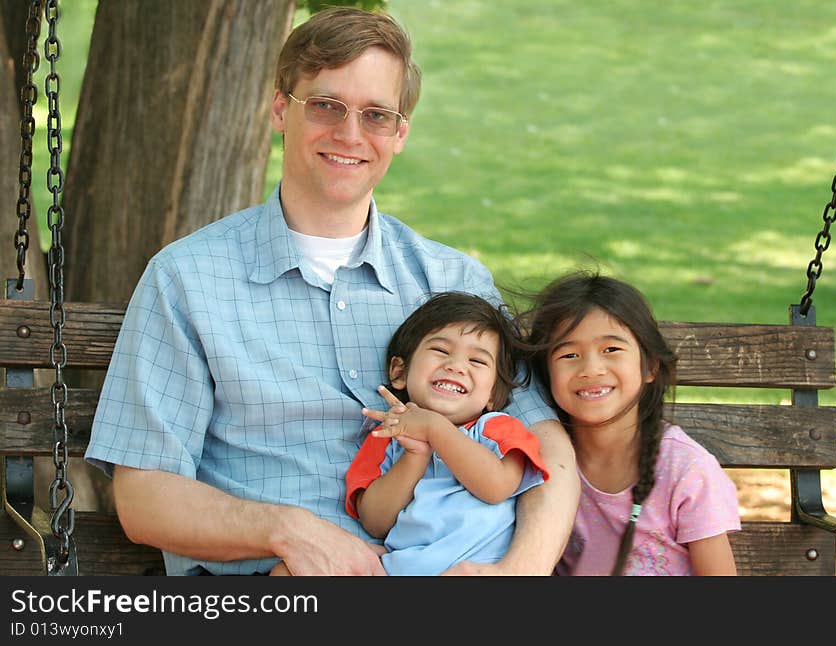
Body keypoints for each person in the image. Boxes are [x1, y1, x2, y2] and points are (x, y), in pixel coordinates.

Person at [84, 6, 578, 576]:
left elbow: (546, 442)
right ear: (279, 108)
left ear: (399, 135)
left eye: (375, 115)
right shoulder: (187, 280)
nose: (348, 134)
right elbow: (146, 496)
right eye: (324, 105)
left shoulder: (452, 282)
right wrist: (286, 531)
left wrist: (519, 575)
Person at [523, 270, 740, 575]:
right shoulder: (539, 461)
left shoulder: (686, 470)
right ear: (547, 376)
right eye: (569, 354)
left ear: (650, 366)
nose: (591, 368)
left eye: (611, 349)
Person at [346, 292, 549, 575]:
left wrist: (435, 428)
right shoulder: (387, 435)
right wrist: (415, 454)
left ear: (493, 393)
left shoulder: (496, 429)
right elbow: (376, 521)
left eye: (477, 361)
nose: (456, 366)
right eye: (441, 351)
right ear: (399, 372)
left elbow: (497, 488)